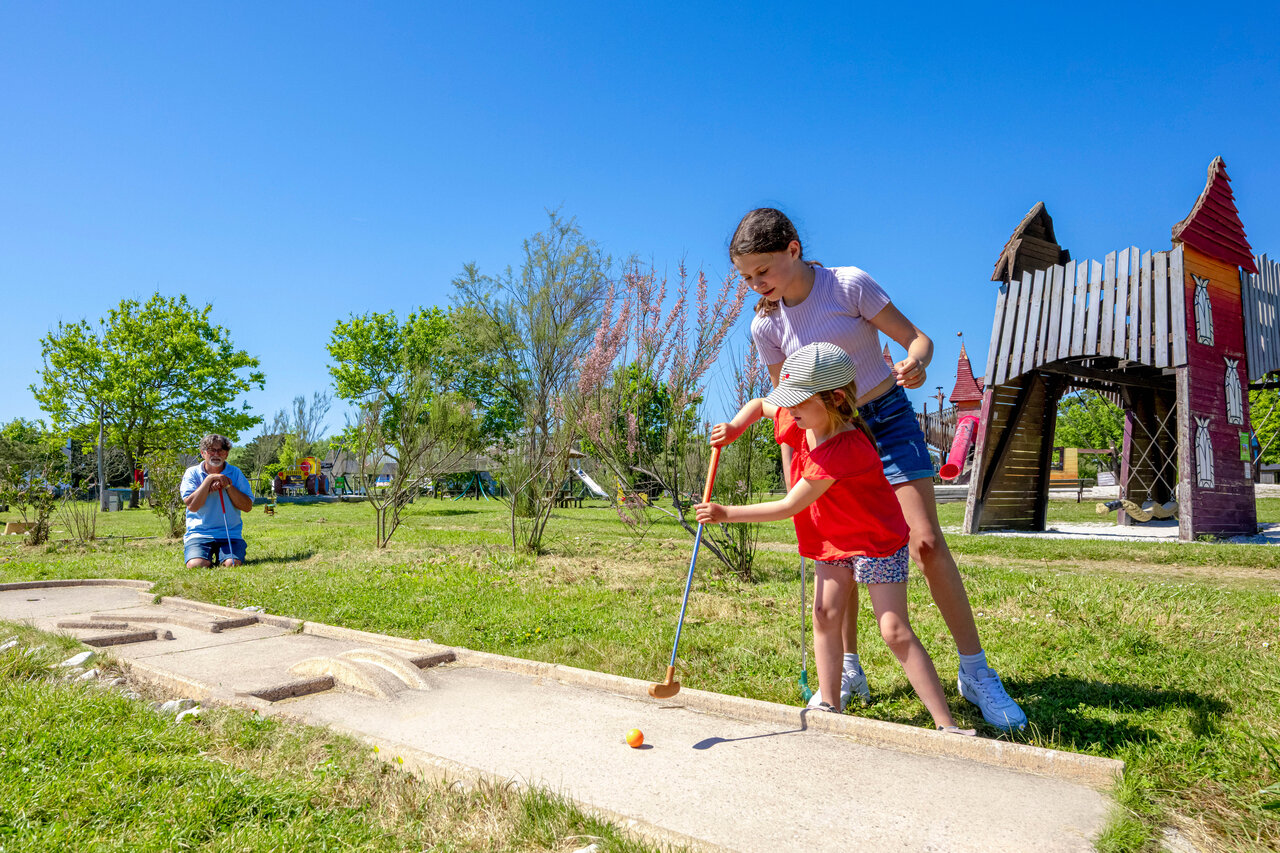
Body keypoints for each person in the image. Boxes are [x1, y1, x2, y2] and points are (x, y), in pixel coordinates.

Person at [731, 208, 1026, 730]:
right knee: (837, 550)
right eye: (748, 277)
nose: (757, 285)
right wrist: (793, 480)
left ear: (793, 249)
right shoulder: (766, 325)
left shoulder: (847, 286)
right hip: (823, 433)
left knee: (927, 542)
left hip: (885, 418)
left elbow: (919, 340)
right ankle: (848, 670)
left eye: (763, 271)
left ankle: (975, 672)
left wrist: (917, 362)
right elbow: (786, 405)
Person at [696, 343, 973, 734]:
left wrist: (727, 514)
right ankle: (829, 705)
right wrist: (735, 428)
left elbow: (789, 506)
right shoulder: (804, 420)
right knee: (825, 614)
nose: (789, 410)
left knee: (893, 630)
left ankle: (946, 725)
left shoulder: (844, 450)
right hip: (834, 537)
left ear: (835, 398)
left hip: (877, 540)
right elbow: (761, 404)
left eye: (798, 403)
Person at [180, 434, 254, 568]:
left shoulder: (235, 473)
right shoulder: (192, 473)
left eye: (220, 450)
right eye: (211, 450)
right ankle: (203, 557)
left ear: (226, 454)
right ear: (203, 453)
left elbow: (248, 507)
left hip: (230, 534)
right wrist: (209, 480)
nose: (216, 454)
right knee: (196, 565)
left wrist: (228, 486)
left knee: (232, 564)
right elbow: (192, 506)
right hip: (198, 534)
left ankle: (226, 557)